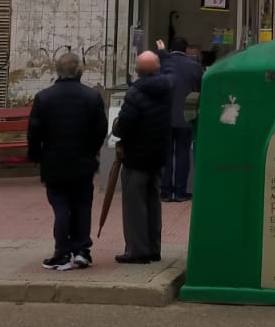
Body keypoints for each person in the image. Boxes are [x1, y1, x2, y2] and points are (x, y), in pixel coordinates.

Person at [26, 53, 108, 271]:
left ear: (57, 71)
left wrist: (36, 155)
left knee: (61, 206)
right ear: (79, 71)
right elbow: (101, 130)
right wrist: (91, 152)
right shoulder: (92, 96)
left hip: (54, 161)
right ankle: (82, 251)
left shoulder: (44, 97)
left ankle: (62, 252)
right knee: (82, 205)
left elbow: (34, 131)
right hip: (83, 161)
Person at [112, 51, 171, 264]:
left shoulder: (134, 93)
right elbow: (171, 69)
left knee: (134, 204)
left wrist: (116, 125)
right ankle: (154, 248)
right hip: (157, 154)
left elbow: (124, 125)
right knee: (153, 201)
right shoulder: (167, 87)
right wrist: (164, 54)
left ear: (137, 70)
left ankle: (137, 250)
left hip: (136, 155)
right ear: (157, 68)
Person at [156, 37, 203, 202]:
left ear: (170, 48)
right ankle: (181, 192)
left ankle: (165, 192)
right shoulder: (195, 67)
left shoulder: (162, 65)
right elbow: (200, 91)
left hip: (164, 116)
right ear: (186, 50)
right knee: (183, 153)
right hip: (186, 115)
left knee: (166, 154)